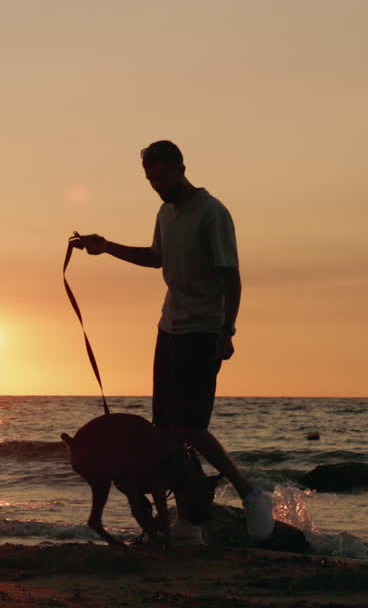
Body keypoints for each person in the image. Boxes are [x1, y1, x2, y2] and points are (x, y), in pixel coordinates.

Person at [70, 140, 273, 544]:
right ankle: (189, 522)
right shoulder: (165, 211)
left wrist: (227, 330)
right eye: (150, 179)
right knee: (165, 433)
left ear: (182, 167)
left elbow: (231, 276)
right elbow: (155, 257)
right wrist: (106, 247)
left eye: (162, 177)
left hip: (205, 328)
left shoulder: (212, 213)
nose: (157, 185)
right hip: (170, 327)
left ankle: (251, 494)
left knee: (191, 427)